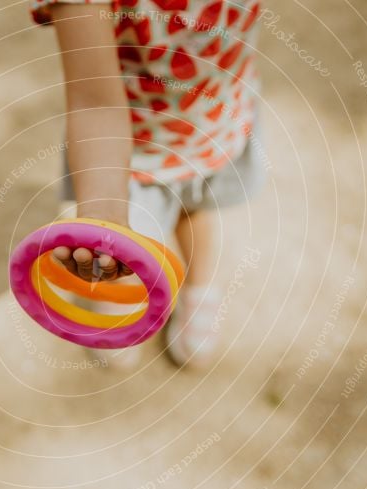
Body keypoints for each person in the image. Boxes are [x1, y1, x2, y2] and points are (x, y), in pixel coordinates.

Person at [30, 0, 265, 368]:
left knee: (197, 212)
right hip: (127, 154)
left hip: (216, 126)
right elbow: (95, 103)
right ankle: (119, 302)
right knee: (126, 255)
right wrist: (104, 218)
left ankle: (199, 290)